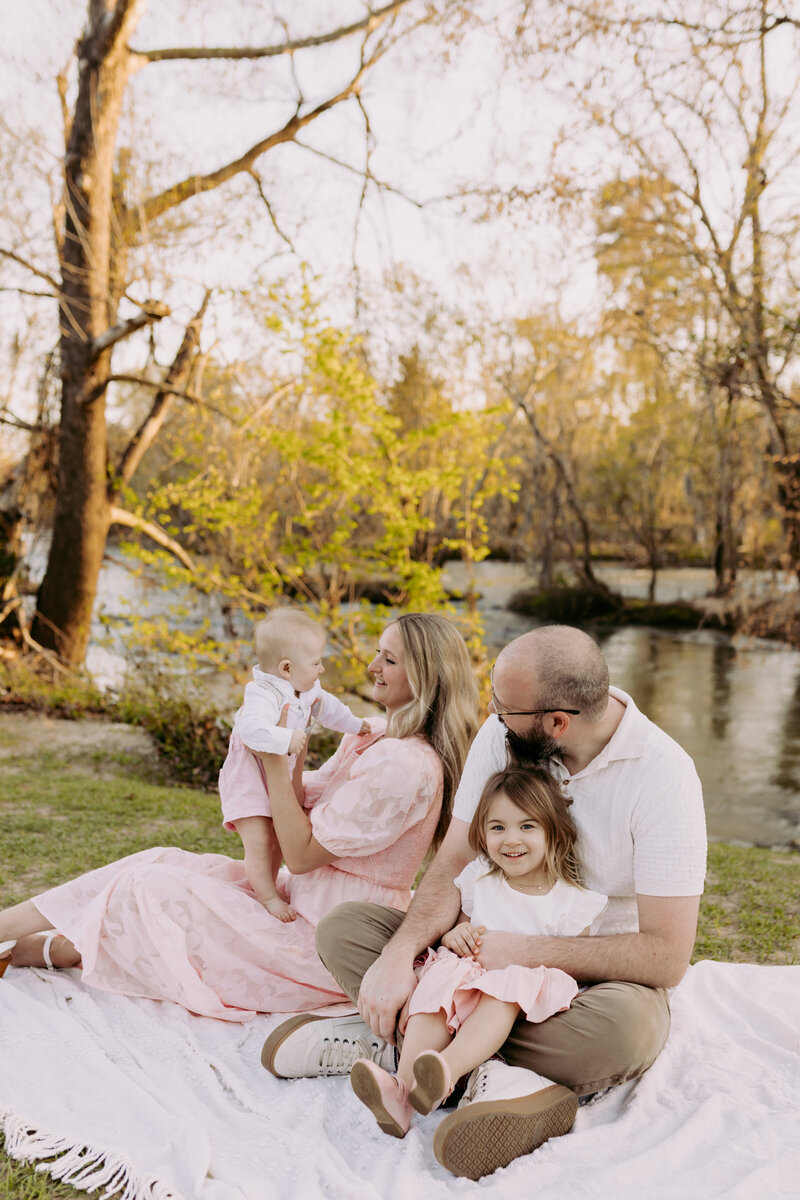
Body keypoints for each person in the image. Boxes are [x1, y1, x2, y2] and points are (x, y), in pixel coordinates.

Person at [263, 624, 707, 1178]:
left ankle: (413, 1049)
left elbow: (666, 956)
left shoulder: (663, 777)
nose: (491, 713)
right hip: (473, 957)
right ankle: (475, 1073)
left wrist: (525, 950)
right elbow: (452, 862)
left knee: (627, 1032)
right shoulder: (503, 737)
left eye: (504, 707)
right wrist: (401, 956)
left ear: (557, 723)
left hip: (586, 983)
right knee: (345, 930)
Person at [0, 613, 480, 1022]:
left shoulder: (407, 764)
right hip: (298, 897)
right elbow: (294, 803)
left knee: (149, 889)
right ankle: (6, 931)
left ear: (425, 676)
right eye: (377, 651)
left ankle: (40, 950)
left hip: (326, 935)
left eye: (389, 660)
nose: (371, 666)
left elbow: (302, 851)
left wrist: (273, 757)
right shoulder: (373, 735)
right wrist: (285, 736)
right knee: (160, 860)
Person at [350, 766, 606, 1158]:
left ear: (553, 831)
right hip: (470, 977)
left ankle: (445, 1071)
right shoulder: (479, 880)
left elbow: (576, 961)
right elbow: (462, 931)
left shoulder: (571, 901)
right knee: (437, 986)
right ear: (483, 835)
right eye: (498, 828)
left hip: (515, 992)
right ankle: (402, 1089)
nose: (511, 839)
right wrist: (454, 936)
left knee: (502, 993)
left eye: (527, 826)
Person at [219, 608, 372, 922]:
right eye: (316, 663)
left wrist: (356, 725)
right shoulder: (262, 693)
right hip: (248, 778)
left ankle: (268, 886)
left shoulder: (307, 689)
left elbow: (329, 708)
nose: (322, 668)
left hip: (276, 775)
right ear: (286, 668)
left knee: (278, 836)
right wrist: (284, 738)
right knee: (260, 839)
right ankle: (267, 898)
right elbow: (251, 730)